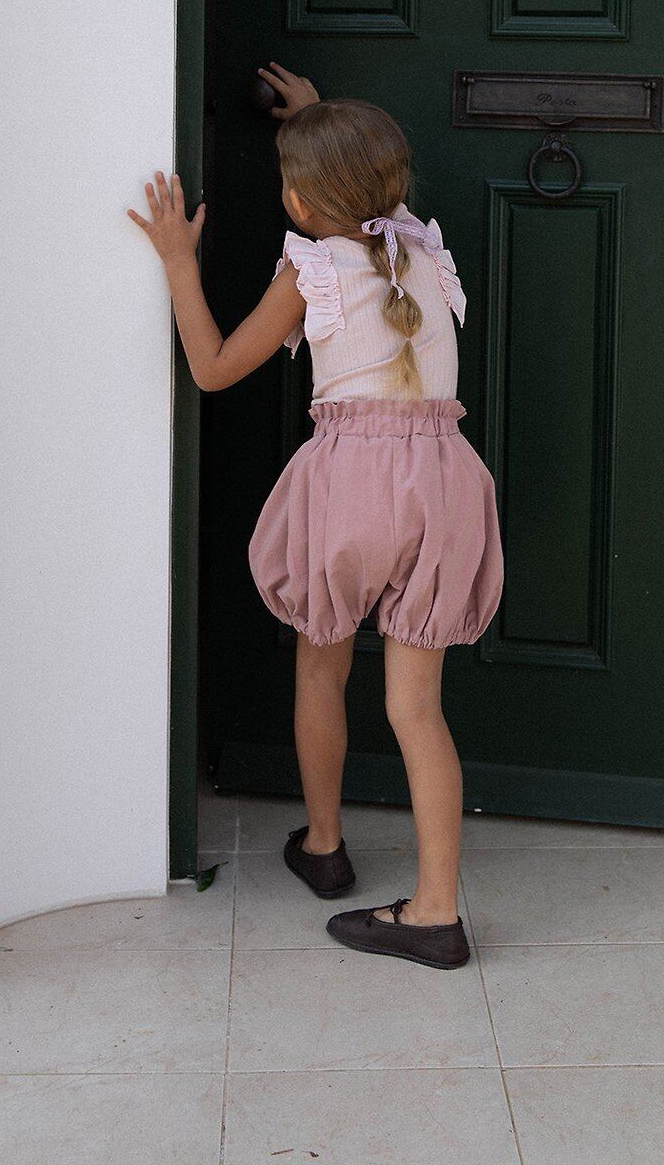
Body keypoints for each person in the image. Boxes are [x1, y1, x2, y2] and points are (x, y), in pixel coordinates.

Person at [127, 64, 504, 970]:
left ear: (298, 200)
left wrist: (178, 261)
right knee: (417, 709)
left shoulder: (311, 269)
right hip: (444, 484)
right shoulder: (422, 250)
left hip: (351, 489)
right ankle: (437, 912)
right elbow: (369, 193)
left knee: (321, 666)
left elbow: (215, 367)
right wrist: (316, 121)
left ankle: (325, 846)